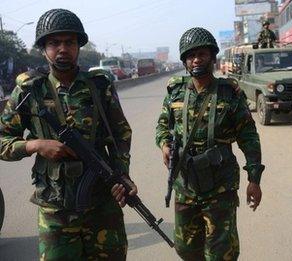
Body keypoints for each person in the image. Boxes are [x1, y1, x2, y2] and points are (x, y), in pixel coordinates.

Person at [0, 9, 137, 260]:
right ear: (43, 48)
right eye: (54, 43)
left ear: (78, 46)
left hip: (102, 204)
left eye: (69, 42)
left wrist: (121, 174)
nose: (63, 48)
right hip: (55, 208)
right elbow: (2, 141)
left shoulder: (99, 85)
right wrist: (35, 145)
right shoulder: (30, 90)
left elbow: (120, 134)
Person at [155, 27, 265, 260]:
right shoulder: (175, 93)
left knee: (221, 252)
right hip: (185, 184)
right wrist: (164, 144)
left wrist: (254, 179)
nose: (196, 59)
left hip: (220, 185)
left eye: (202, 54)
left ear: (212, 57)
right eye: (191, 55)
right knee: (186, 249)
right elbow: (163, 126)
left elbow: (249, 138)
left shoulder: (229, 93)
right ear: (184, 60)